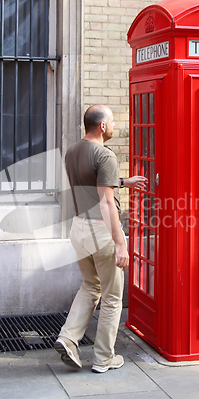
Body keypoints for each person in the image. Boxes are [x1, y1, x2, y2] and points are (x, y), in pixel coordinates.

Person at [55, 104, 147, 373]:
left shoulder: (73, 151)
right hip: (101, 230)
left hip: (79, 228)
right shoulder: (105, 155)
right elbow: (106, 202)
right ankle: (104, 358)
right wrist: (120, 243)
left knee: (90, 286)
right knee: (112, 296)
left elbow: (91, 184)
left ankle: (68, 338)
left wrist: (123, 182)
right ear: (102, 126)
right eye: (114, 121)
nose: (116, 125)